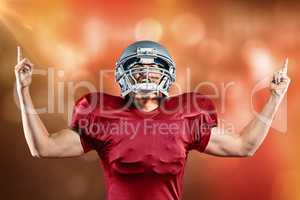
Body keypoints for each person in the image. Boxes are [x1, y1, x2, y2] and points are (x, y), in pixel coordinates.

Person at [15, 41, 290, 200]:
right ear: (124, 76)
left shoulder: (185, 116)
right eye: (138, 71)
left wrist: (275, 97)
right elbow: (45, 148)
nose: (146, 76)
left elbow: (244, 146)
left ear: (166, 76)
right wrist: (23, 90)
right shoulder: (103, 116)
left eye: (153, 71)